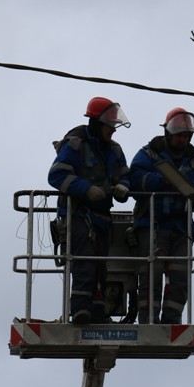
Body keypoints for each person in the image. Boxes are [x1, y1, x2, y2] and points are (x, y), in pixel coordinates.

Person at [48, 97, 131, 325]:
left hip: (102, 218)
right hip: (78, 215)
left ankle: (98, 312)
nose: (113, 131)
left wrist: (124, 186)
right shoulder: (75, 145)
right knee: (85, 263)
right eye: (110, 125)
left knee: (100, 267)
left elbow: (124, 174)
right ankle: (81, 310)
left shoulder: (114, 150)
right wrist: (87, 190)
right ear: (96, 122)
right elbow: (56, 175)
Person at [130, 108, 194, 324]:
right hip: (152, 224)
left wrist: (190, 186)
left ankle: (172, 320)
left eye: (186, 136)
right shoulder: (148, 154)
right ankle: (148, 320)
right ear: (168, 133)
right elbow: (135, 179)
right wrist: (164, 181)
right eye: (180, 135)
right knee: (151, 273)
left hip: (181, 227)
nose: (183, 140)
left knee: (180, 276)